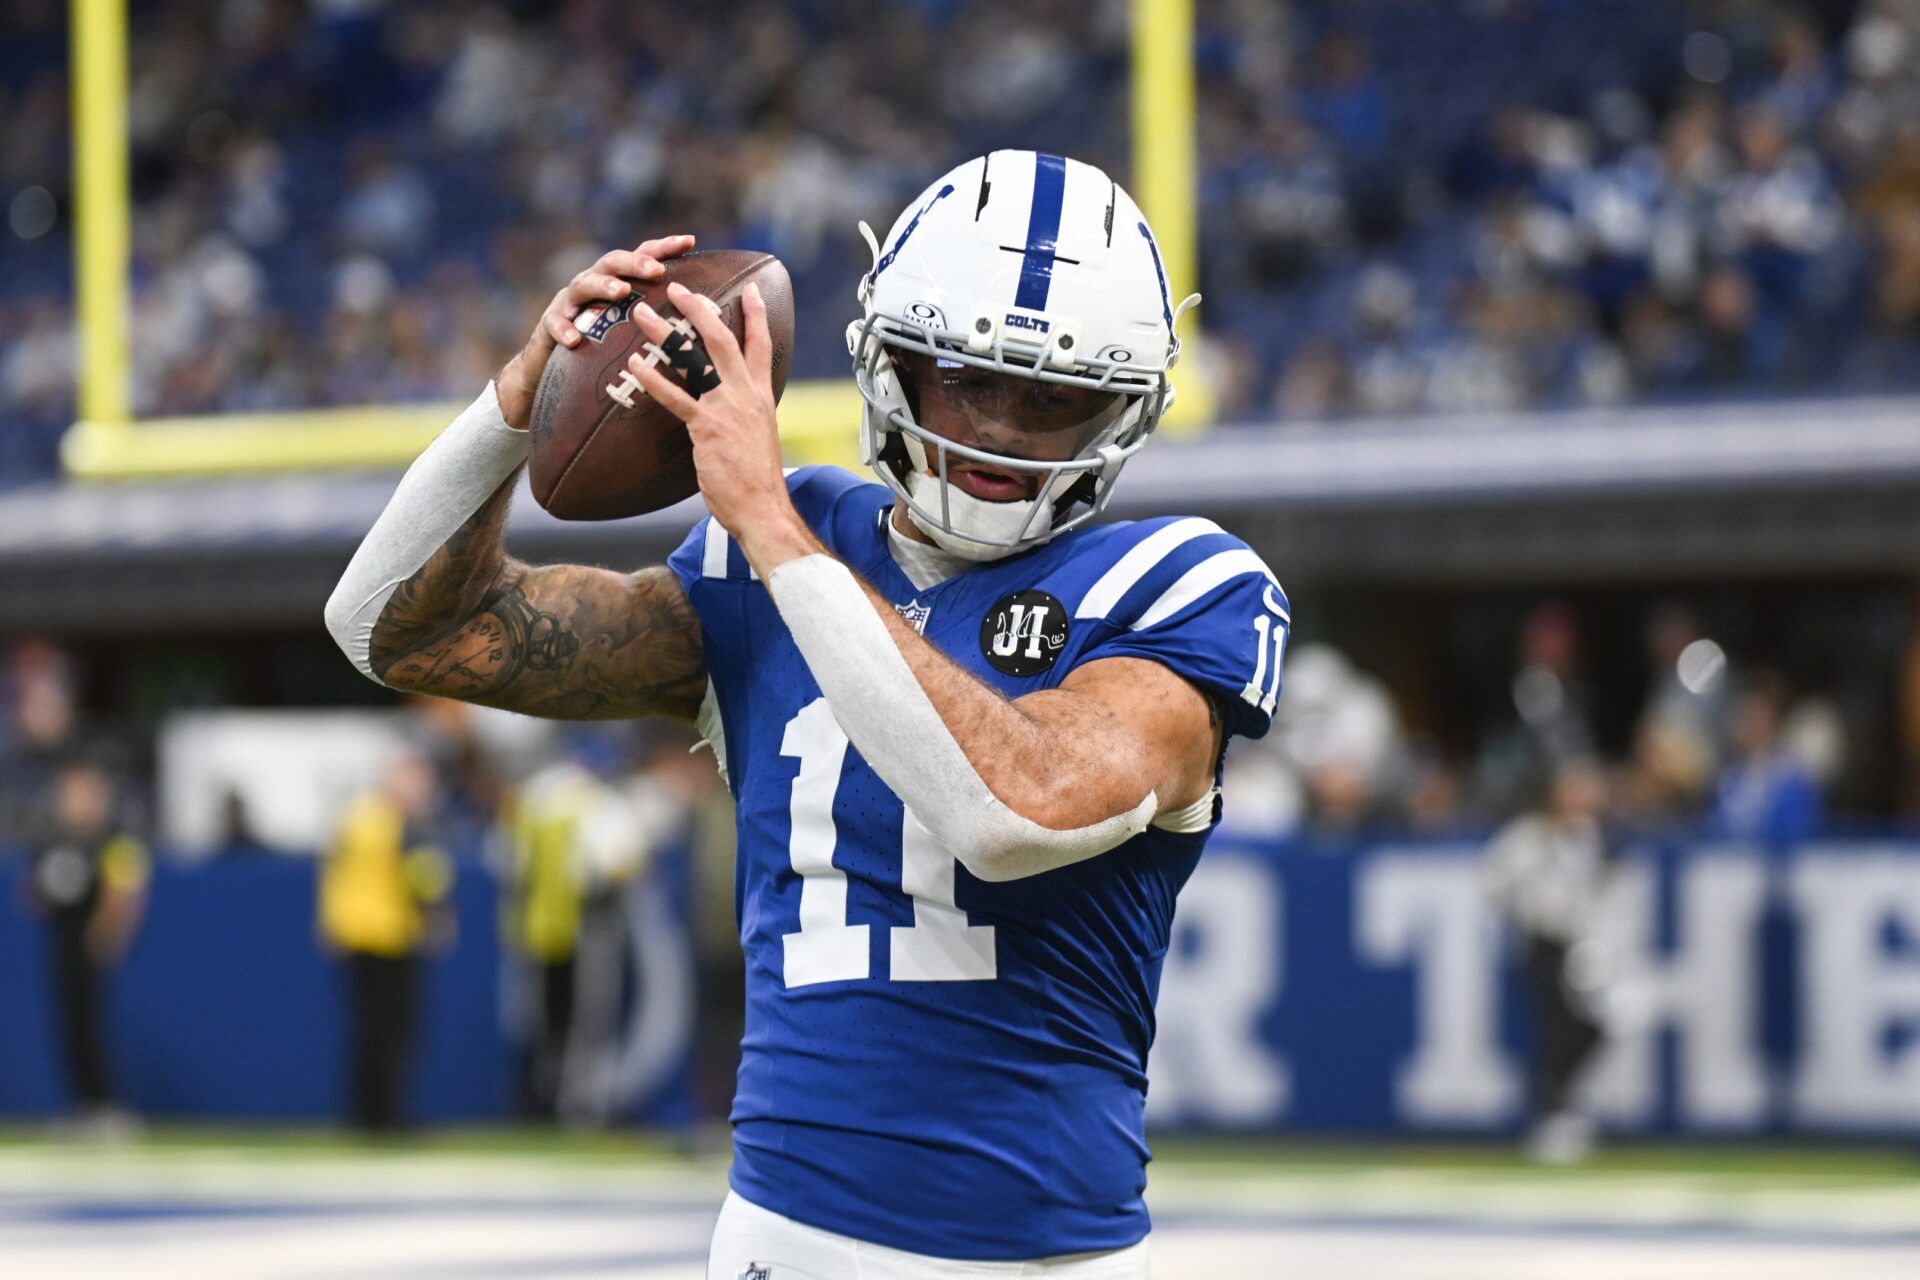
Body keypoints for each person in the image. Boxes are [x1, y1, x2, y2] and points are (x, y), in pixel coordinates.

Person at [326, 151, 1290, 1276]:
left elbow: (1018, 810)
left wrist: (777, 529)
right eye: (964, 376)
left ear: (1122, 410)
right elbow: (395, 626)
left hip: (1042, 1255)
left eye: (1053, 395)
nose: (1002, 429)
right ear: (890, 359)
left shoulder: (1184, 582)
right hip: (778, 1240)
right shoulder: (773, 553)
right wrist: (518, 398)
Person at [1482, 756, 1617, 1165]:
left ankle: (1556, 1104)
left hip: (1575, 945)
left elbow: (1592, 888)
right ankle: (1553, 1111)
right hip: (1539, 941)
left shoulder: (1584, 837)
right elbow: (1490, 881)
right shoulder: (1528, 837)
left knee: (1587, 1028)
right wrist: (1523, 907)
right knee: (1562, 1026)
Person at [317, 751, 455, 1134]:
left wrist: (328, 920)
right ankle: (388, 1114)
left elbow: (330, 868)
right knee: (393, 1030)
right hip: (392, 934)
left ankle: (367, 1113)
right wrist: (437, 914)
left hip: (357, 932)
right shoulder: (400, 821)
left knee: (369, 1029)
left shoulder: (357, 814)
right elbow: (423, 874)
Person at [26, 758, 149, 1135]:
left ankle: (106, 1106)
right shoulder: (53, 840)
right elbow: (34, 898)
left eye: (83, 794)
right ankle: (82, 1107)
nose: (76, 802)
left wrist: (106, 938)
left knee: (92, 1027)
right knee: (69, 1028)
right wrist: (47, 890)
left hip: (90, 945)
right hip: (62, 943)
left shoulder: (114, 839)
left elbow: (124, 894)